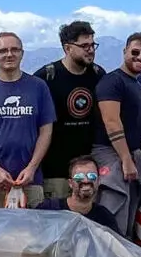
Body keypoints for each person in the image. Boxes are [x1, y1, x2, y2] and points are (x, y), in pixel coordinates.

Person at [0, 31, 56, 207]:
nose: (9, 54)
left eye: (15, 49)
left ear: (22, 53)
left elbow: (46, 131)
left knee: (30, 232)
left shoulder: (38, 87)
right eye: (2, 51)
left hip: (29, 179)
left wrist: (32, 168)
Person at [90, 33, 141, 237]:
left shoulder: (137, 85)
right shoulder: (112, 81)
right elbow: (111, 121)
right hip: (110, 155)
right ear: (124, 51)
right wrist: (125, 159)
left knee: (128, 222)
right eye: (135, 52)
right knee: (112, 216)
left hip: (131, 157)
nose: (140, 58)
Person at [35, 20, 103, 202]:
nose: (90, 50)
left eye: (92, 45)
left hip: (88, 170)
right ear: (67, 48)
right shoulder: (46, 77)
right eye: (84, 46)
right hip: (54, 170)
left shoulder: (98, 75)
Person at [34, 156, 116, 228]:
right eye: (79, 177)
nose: (86, 180)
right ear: (70, 183)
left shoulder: (104, 217)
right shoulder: (49, 208)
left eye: (92, 176)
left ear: (98, 181)